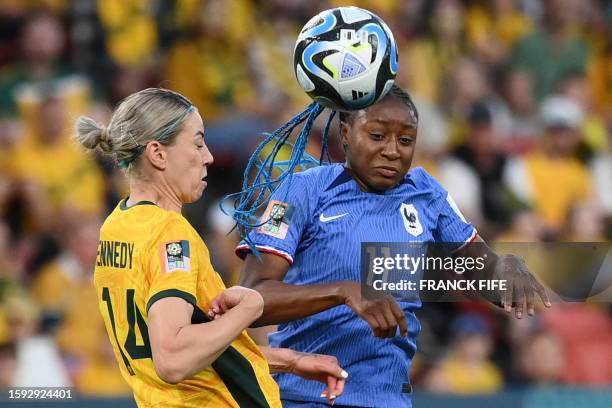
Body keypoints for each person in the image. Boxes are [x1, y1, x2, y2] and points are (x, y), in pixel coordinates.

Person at [218, 85, 550, 407]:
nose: (392, 150)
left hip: (390, 399)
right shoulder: (302, 190)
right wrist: (344, 291)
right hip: (304, 397)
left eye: (406, 140)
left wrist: (506, 266)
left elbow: (485, 274)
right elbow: (247, 301)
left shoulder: (426, 193)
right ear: (346, 133)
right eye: (377, 136)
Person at [74, 88, 347, 407]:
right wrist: (250, 307)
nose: (209, 157)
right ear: (158, 153)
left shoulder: (115, 226)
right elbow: (173, 359)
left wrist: (288, 361)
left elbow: (184, 347)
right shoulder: (169, 231)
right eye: (198, 143)